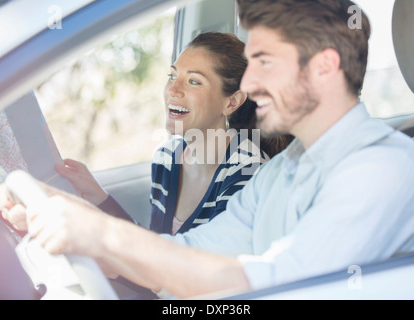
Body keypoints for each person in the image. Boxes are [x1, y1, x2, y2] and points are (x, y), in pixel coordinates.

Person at [0, 0, 414, 299]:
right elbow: (190, 254)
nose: (250, 83)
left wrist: (105, 235)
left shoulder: (381, 168)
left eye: (264, 61)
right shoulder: (279, 173)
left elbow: (277, 288)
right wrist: (85, 227)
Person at [56, 32, 291, 235]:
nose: (173, 90)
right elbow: (155, 251)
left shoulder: (248, 171)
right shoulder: (166, 158)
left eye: (193, 81)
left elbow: (193, 272)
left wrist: (106, 250)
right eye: (172, 76)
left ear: (231, 102)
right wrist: (99, 198)